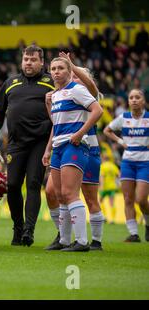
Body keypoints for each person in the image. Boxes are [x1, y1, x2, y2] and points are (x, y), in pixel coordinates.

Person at [0, 45, 55, 246]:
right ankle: (17, 228)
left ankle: (29, 231)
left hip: (40, 142)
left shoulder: (51, 82)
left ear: (41, 62)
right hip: (16, 143)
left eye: (33, 60)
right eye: (26, 59)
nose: (28, 63)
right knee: (13, 185)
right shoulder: (11, 83)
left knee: (34, 183)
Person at [45, 52, 105, 251]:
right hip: (59, 146)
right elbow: (57, 123)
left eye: (60, 68)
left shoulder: (78, 89)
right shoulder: (56, 94)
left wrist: (79, 134)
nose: (56, 72)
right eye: (53, 69)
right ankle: (64, 240)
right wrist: (48, 106)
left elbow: (98, 110)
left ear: (70, 71)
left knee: (72, 194)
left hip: (76, 145)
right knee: (60, 194)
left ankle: (83, 242)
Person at [104, 89, 149, 242]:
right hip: (128, 162)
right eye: (131, 98)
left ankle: (148, 224)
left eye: (138, 97)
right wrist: (121, 142)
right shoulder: (124, 117)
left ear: (143, 101)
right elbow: (107, 130)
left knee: (141, 199)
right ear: (128, 101)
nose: (134, 100)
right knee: (128, 199)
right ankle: (134, 234)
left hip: (145, 162)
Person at [99, 153, 120, 224]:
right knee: (112, 203)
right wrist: (118, 184)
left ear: (103, 159)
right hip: (112, 187)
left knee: (100, 201)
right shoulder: (113, 166)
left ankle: (104, 217)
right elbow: (119, 175)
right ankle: (113, 219)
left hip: (105, 187)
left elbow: (101, 177)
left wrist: (101, 186)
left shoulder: (103, 166)